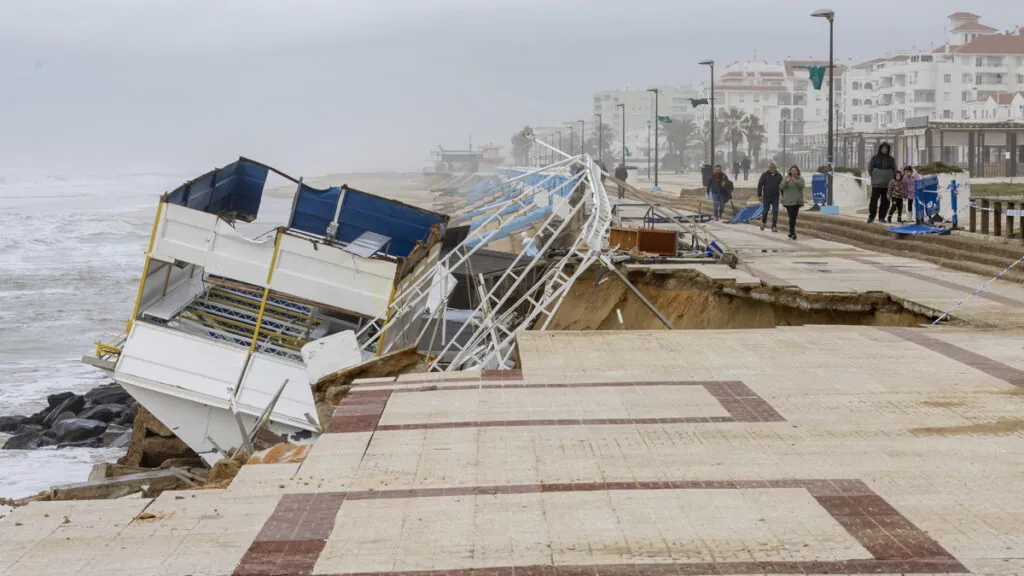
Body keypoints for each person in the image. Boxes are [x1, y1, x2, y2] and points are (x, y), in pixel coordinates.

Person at [868, 142, 897, 223]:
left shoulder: (891, 160)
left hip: (887, 185)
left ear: (888, 149)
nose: (884, 150)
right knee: (873, 201)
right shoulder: (874, 158)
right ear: (880, 149)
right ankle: (871, 217)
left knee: (885, 202)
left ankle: (882, 217)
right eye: (883, 148)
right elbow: (870, 168)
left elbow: (894, 170)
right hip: (876, 184)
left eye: (886, 148)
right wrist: (874, 175)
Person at [780, 165, 805, 240]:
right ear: (790, 171)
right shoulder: (786, 178)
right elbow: (781, 187)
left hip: (797, 201)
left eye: (795, 170)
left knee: (794, 217)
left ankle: (791, 232)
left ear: (797, 171)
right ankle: (793, 232)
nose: (793, 172)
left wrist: (795, 181)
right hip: (788, 201)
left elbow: (802, 186)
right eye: (792, 170)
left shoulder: (800, 179)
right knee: (792, 216)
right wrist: (786, 181)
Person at [756, 162, 783, 232]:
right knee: (765, 210)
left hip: (775, 197)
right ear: (768, 168)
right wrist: (759, 195)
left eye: (773, 167)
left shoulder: (779, 176)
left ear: (775, 168)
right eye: (770, 167)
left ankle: (774, 226)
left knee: (775, 211)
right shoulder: (764, 175)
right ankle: (763, 222)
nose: (772, 169)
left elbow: (782, 187)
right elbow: (760, 185)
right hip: (766, 197)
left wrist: (783, 197)